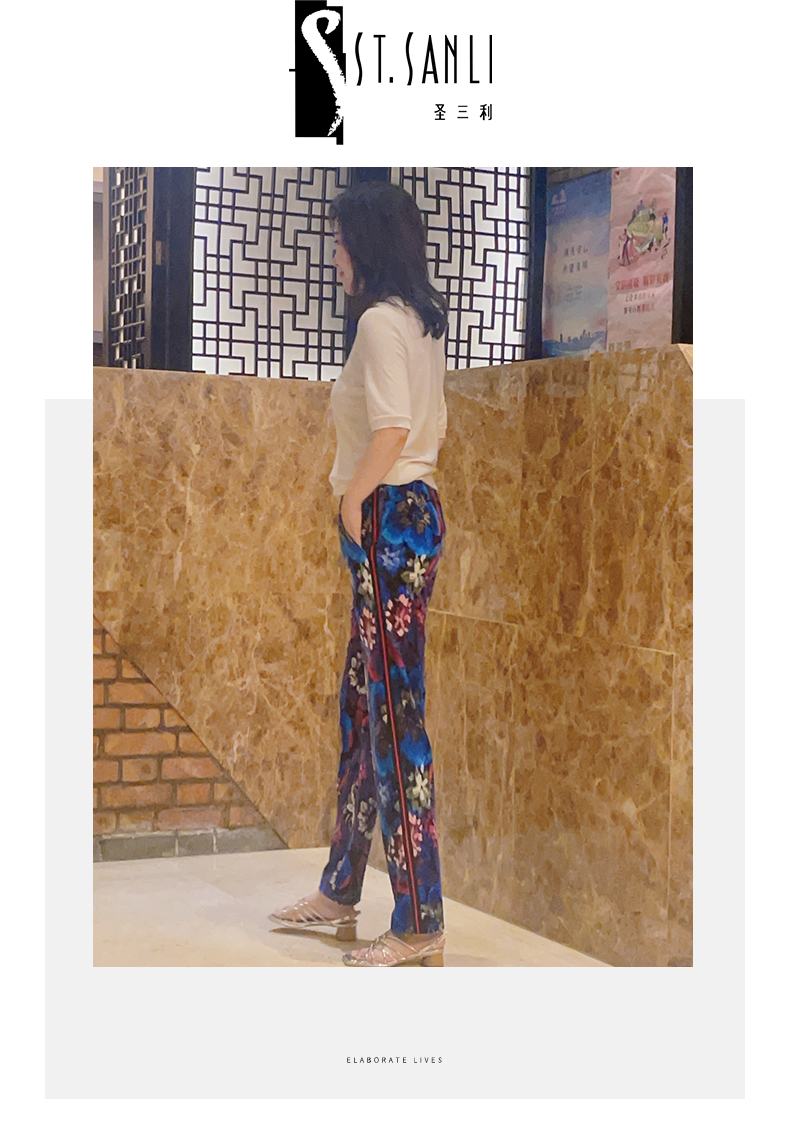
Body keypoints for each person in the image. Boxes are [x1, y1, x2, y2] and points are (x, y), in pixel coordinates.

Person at [270, 180, 449, 967]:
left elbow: (393, 428)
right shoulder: (418, 320)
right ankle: (341, 885)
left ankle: (419, 919)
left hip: (386, 516)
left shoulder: (379, 323)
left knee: (393, 718)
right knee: (365, 702)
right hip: (412, 514)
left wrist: (352, 497)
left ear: (366, 243)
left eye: (340, 240)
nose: (335, 254)